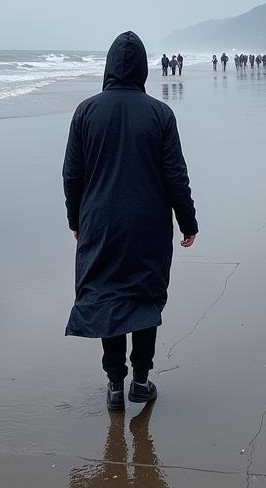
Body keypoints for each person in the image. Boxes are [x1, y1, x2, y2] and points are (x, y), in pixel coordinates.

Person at [63, 31, 198, 412]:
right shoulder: (160, 113)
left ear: (108, 67)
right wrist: (188, 222)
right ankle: (141, 381)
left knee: (108, 294)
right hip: (149, 223)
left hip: (100, 222)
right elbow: (176, 175)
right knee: (143, 297)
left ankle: (114, 385)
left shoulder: (86, 112)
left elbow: (72, 175)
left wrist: (76, 219)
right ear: (142, 68)